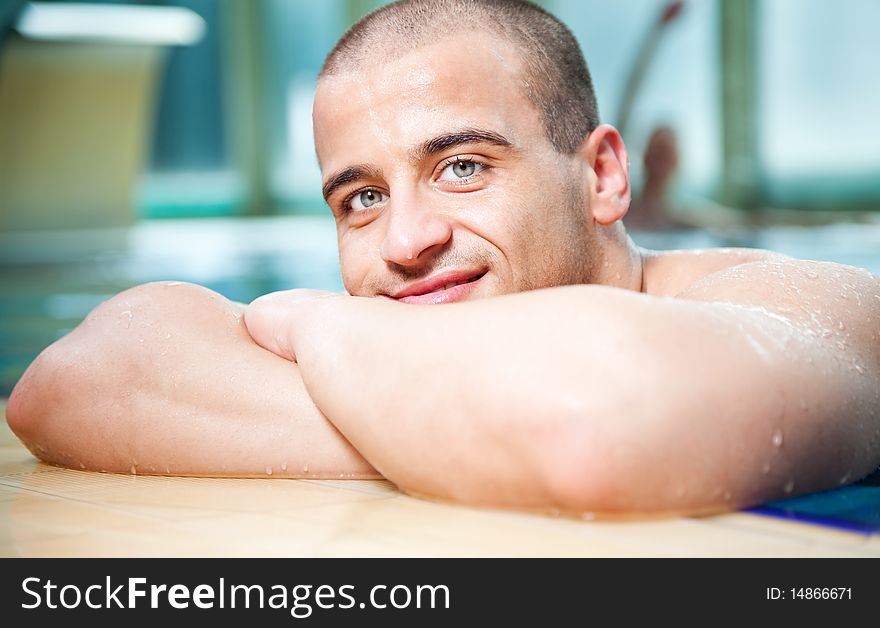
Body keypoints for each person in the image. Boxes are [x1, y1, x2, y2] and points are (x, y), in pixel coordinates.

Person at [7, 0, 879, 518]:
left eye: (462, 166)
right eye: (362, 197)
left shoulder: (818, 305)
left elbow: (594, 424)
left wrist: (318, 322)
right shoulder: (407, 331)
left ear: (604, 176)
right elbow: (75, 383)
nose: (404, 241)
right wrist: (471, 427)